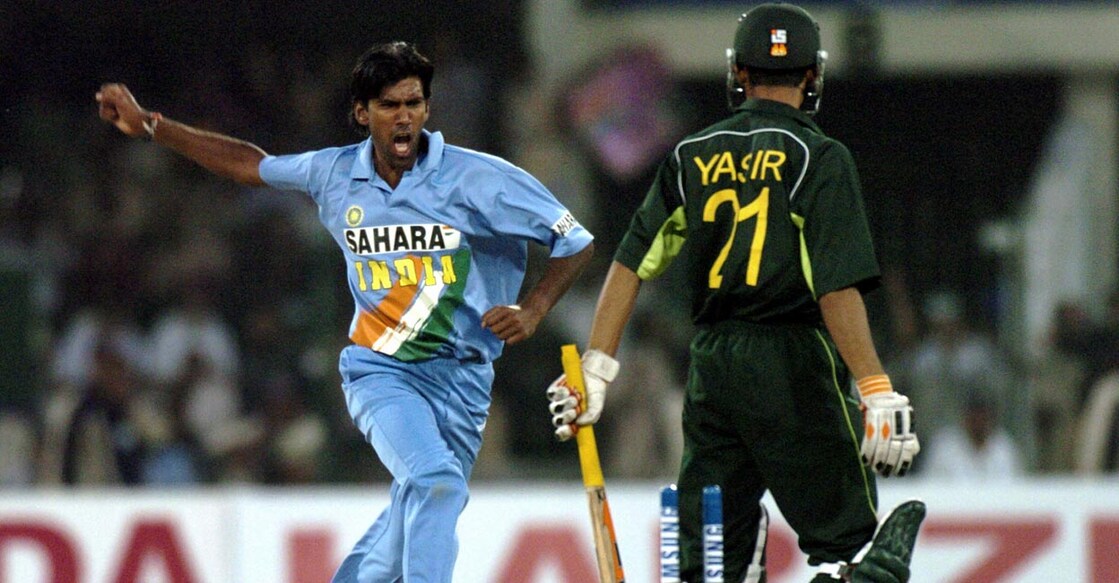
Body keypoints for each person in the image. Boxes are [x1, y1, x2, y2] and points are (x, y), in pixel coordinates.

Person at [96, 41, 594, 583]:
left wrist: (535, 308)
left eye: (414, 103)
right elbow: (249, 165)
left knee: (407, 519)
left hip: (466, 380)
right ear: (362, 113)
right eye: (389, 105)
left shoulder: (482, 178)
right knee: (437, 483)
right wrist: (151, 127)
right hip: (382, 371)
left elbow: (575, 241)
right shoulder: (333, 173)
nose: (404, 117)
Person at [546, 5, 923, 582]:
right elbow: (836, 288)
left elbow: (629, 265)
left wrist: (597, 367)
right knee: (851, 541)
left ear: (739, 75)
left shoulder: (689, 156)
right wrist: (874, 386)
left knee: (711, 557)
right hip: (793, 361)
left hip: (714, 364)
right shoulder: (819, 158)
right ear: (812, 77)